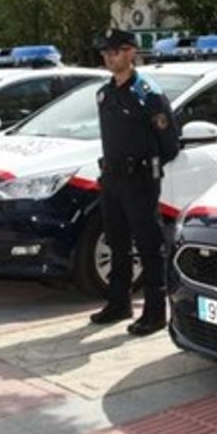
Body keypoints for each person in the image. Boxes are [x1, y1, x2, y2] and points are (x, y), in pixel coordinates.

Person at [90, 28, 181, 336]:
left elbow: (169, 144)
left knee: (149, 246)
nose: (108, 57)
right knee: (117, 243)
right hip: (113, 178)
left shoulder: (148, 93)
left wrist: (145, 168)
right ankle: (119, 303)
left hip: (140, 180)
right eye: (104, 53)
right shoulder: (105, 93)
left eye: (114, 51)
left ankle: (155, 313)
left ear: (130, 52)